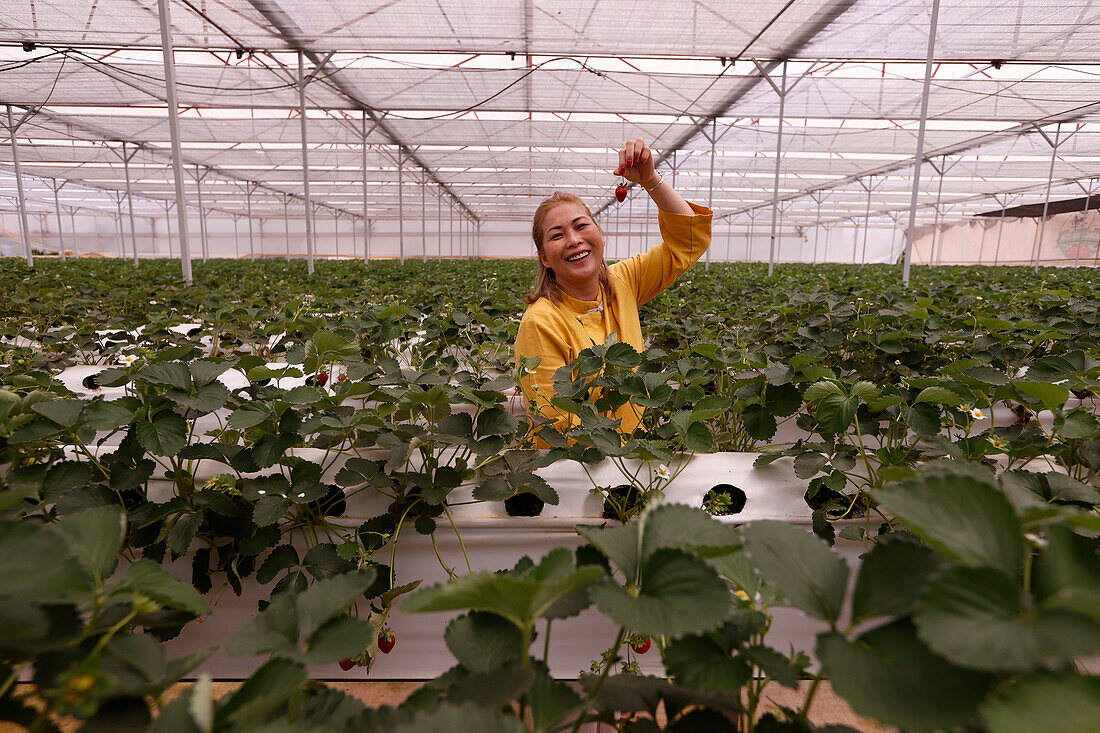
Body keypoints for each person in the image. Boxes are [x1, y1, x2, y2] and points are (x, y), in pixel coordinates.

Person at [515, 138, 713, 441]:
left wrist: (650, 180)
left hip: (635, 456)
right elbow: (554, 424)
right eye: (557, 235)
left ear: (599, 234)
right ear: (544, 257)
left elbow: (688, 241)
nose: (573, 240)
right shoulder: (541, 322)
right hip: (582, 468)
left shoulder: (623, 282)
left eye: (581, 226)